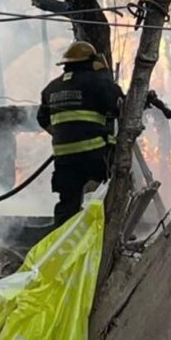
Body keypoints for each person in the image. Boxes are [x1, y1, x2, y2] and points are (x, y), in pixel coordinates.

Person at [37, 41, 124, 226]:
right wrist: (105, 76)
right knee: (107, 195)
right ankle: (102, 236)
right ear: (91, 62)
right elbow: (119, 105)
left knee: (67, 205)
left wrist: (65, 136)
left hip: (64, 159)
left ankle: (62, 247)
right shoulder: (97, 82)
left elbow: (42, 119)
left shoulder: (50, 89)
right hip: (95, 154)